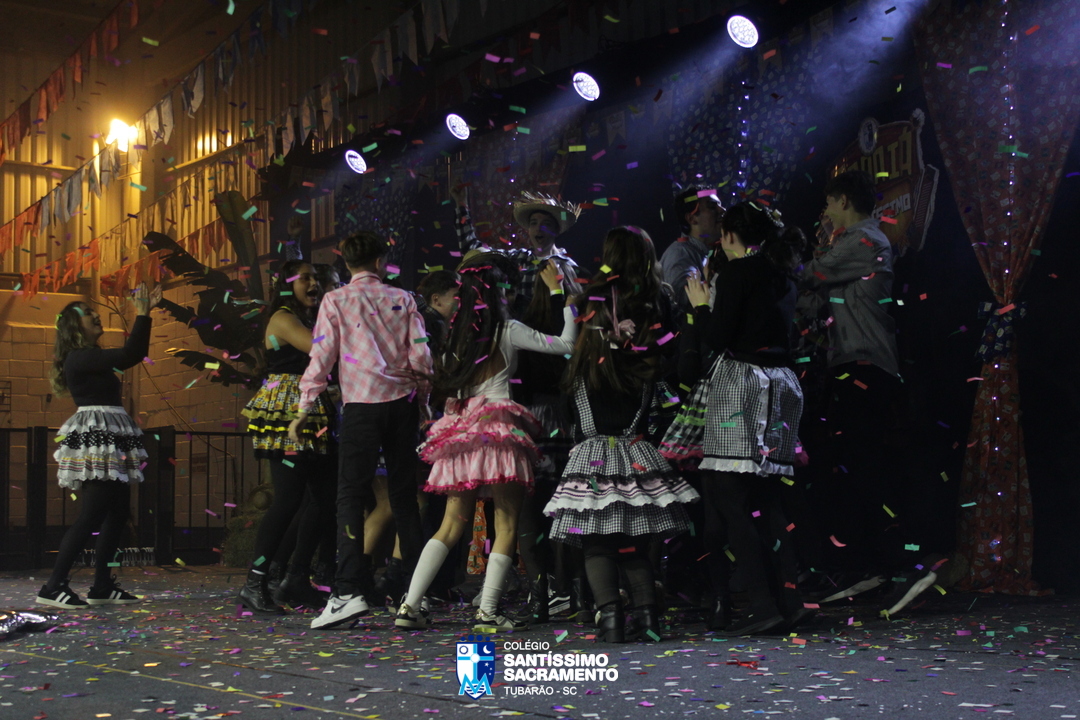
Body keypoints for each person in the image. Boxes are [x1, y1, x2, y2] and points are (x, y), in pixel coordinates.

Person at [394, 260, 578, 632]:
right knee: (506, 523)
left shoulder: (454, 336)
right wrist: (566, 305)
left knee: (449, 525)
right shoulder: (508, 329)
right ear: (499, 294)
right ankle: (489, 611)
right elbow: (565, 346)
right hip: (498, 430)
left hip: (460, 432)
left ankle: (409, 606)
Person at [543, 227, 700, 643]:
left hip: (592, 444)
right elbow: (668, 361)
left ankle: (610, 618)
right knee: (635, 540)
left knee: (597, 543)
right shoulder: (658, 301)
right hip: (637, 442)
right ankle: (647, 617)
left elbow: (569, 363)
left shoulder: (590, 302)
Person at [663, 202, 809, 636]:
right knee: (769, 498)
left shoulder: (738, 273)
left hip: (743, 384)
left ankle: (762, 604)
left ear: (729, 235)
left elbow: (717, 336)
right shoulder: (783, 273)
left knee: (729, 496)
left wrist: (700, 306)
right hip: (782, 384)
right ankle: (790, 601)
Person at [291, 231, 432, 630]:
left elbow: (322, 355)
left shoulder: (336, 300)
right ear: (380, 260)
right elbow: (422, 356)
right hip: (402, 403)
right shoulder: (403, 298)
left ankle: (348, 592)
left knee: (351, 496)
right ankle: (414, 597)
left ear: (346, 263)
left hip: (361, 406)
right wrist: (424, 404)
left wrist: (304, 407)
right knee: (405, 499)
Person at [797, 170, 908, 606]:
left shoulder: (864, 240)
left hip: (867, 366)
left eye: (829, 203)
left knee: (866, 468)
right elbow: (811, 301)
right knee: (851, 469)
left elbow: (812, 275)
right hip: (849, 365)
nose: (825, 213)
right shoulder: (848, 244)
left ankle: (896, 566)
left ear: (843, 200)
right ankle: (867, 565)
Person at [38, 283, 161, 609]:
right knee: (92, 514)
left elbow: (127, 356)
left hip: (108, 435)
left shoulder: (88, 357)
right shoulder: (79, 358)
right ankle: (53, 586)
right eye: (87, 313)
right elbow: (131, 354)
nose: (95, 315)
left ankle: (102, 585)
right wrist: (143, 313)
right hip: (98, 438)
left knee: (117, 513)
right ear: (73, 328)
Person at [237, 260, 337, 613]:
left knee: (323, 498)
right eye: (304, 278)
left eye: (316, 278)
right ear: (288, 285)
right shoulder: (282, 317)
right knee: (288, 498)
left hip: (313, 411)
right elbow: (319, 348)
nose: (313, 284)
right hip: (285, 412)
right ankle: (256, 581)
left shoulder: (310, 318)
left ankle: (295, 578)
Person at [450, 185, 581, 318]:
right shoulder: (517, 258)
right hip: (519, 329)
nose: (539, 228)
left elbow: (576, 310)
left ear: (556, 230)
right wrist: (461, 204)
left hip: (552, 330)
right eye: (533, 223)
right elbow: (472, 250)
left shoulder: (568, 266)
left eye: (546, 224)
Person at [659, 185, 725, 314]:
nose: (722, 210)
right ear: (692, 219)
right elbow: (686, 303)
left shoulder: (712, 251)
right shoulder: (680, 254)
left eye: (720, 204)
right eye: (712, 206)